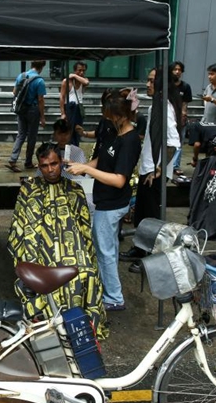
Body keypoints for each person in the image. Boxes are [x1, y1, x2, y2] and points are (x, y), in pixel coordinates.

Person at [8, 142, 107, 338]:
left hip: (74, 251)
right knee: (33, 275)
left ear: (61, 162)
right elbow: (19, 228)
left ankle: (81, 326)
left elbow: (84, 228)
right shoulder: (28, 190)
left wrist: (85, 255)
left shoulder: (74, 189)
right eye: (44, 166)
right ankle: (45, 323)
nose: (50, 170)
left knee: (87, 273)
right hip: (38, 252)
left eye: (54, 164)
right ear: (39, 166)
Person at [66, 89, 141, 311]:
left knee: (105, 251)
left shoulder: (129, 141)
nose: (107, 119)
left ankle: (114, 297)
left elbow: (119, 179)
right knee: (108, 249)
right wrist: (81, 167)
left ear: (121, 115)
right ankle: (107, 289)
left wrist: (87, 170)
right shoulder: (115, 134)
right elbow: (102, 160)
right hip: (105, 200)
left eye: (110, 115)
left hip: (113, 203)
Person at [120, 68, 182, 271]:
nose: (148, 84)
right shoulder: (155, 106)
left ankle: (149, 258)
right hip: (148, 168)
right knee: (142, 215)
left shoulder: (164, 107)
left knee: (151, 217)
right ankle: (139, 249)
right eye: (147, 80)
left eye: (152, 81)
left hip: (154, 172)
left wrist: (158, 169)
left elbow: (173, 142)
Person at [7, 60, 47, 172]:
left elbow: (14, 92)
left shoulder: (22, 76)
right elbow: (40, 99)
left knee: (21, 134)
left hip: (21, 109)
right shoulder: (39, 81)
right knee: (32, 137)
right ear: (42, 67)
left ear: (31, 64)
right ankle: (28, 162)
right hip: (33, 110)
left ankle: (13, 159)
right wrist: (42, 117)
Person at [59, 61, 89, 146]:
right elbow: (62, 96)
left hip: (78, 108)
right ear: (75, 70)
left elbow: (86, 82)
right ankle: (67, 151)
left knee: (77, 130)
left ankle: (75, 149)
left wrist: (75, 75)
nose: (81, 72)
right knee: (69, 131)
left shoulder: (84, 80)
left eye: (83, 70)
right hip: (70, 108)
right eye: (79, 70)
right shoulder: (67, 81)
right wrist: (63, 113)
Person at [170, 61, 192, 177]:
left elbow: (185, 103)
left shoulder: (185, 86)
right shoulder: (167, 85)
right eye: (175, 69)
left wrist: (183, 115)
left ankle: (175, 166)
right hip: (168, 117)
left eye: (179, 70)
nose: (177, 72)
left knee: (179, 143)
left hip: (179, 118)